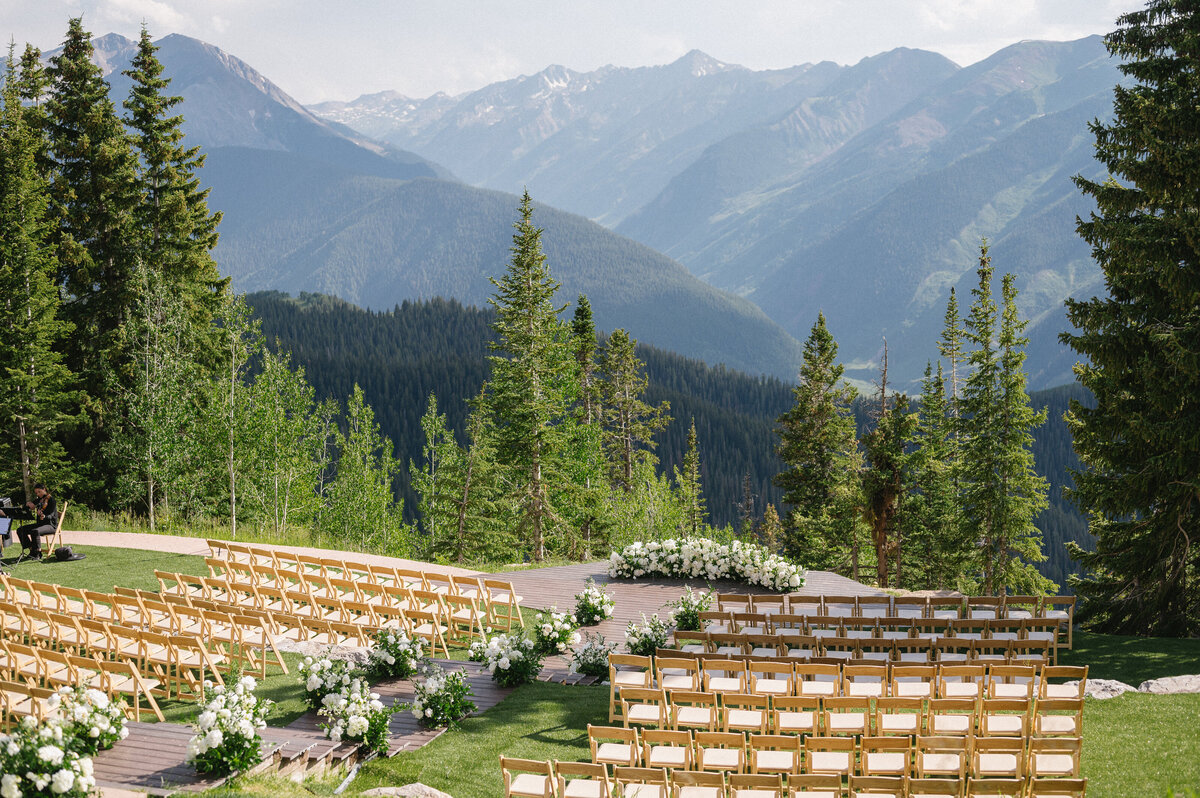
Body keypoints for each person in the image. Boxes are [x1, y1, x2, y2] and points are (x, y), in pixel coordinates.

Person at [16, 484, 57, 560]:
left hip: (50, 525)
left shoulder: (52, 500)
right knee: (20, 530)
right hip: (40, 524)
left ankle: (38, 553)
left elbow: (51, 515)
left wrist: (44, 516)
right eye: (36, 493)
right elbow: (27, 507)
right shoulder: (39, 499)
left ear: (44, 489)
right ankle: (32, 550)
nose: (38, 494)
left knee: (35, 531)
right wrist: (28, 505)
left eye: (39, 491)